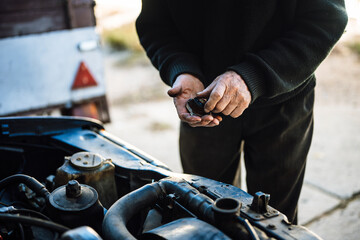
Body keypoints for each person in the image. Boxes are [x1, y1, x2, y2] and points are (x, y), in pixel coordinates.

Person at [136, 0, 348, 223]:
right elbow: (155, 24)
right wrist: (181, 68)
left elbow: (326, 18)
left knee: (274, 220)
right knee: (205, 211)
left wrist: (254, 76)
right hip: (202, 105)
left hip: (283, 103)